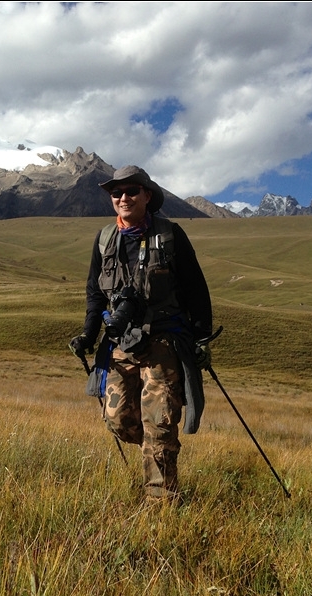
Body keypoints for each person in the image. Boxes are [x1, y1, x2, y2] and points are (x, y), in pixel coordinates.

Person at [69, 165, 213, 502]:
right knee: (118, 420)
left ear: (147, 196)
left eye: (131, 191)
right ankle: (154, 448)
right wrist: (89, 335)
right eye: (116, 193)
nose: (123, 198)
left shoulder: (171, 234)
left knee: (160, 420)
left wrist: (201, 338)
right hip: (120, 341)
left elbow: (196, 289)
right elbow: (94, 293)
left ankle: (161, 501)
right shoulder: (105, 239)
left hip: (164, 339)